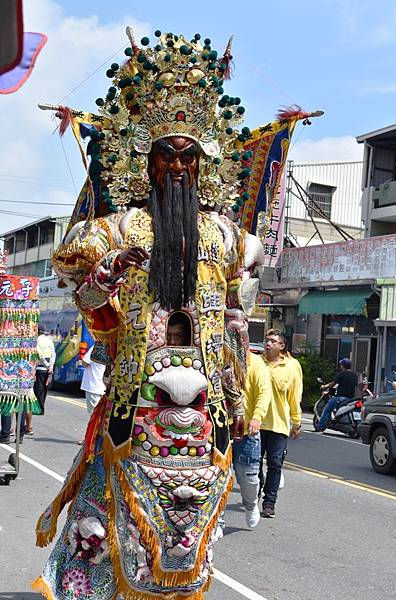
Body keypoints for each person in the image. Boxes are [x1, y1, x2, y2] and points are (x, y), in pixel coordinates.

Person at [34, 30, 264, 600]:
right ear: (148, 160)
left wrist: (239, 397)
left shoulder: (224, 235)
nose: (180, 165)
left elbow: (237, 319)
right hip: (135, 403)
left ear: (204, 162)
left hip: (205, 411)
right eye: (169, 154)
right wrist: (108, 272)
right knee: (107, 521)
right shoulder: (118, 229)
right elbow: (95, 312)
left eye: (190, 155)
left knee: (190, 535)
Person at [259, 329, 303, 518]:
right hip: (256, 423)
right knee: (253, 464)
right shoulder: (257, 363)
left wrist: (296, 422)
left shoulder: (292, 366)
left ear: (281, 346)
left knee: (275, 464)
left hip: (279, 424)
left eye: (273, 341)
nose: (268, 344)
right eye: (266, 341)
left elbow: (295, 396)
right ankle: (257, 489)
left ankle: (269, 502)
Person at [233, 350, 272, 528]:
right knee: (218, 477)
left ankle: (250, 504)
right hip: (220, 429)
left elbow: (264, 393)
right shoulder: (216, 357)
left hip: (247, 431)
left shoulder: (255, 363)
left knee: (247, 477)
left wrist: (257, 417)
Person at [318, 358, 358, 431]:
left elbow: (333, 383)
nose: (340, 366)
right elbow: (355, 385)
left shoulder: (341, 374)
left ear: (343, 366)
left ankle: (320, 427)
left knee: (327, 410)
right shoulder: (354, 375)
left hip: (340, 398)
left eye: (341, 365)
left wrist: (325, 386)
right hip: (350, 399)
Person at [32, 325, 56, 421]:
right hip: (47, 368)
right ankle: (42, 408)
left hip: (40, 368)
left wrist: (46, 365)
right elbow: (53, 354)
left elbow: (40, 355)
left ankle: (38, 409)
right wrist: (51, 367)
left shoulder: (37, 340)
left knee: (38, 389)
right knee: (44, 389)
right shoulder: (49, 340)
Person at [80, 346, 106, 416]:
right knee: (103, 413)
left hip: (93, 384)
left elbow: (85, 362)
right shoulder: (112, 346)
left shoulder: (98, 346)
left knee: (94, 414)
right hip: (105, 386)